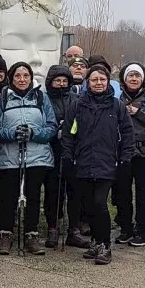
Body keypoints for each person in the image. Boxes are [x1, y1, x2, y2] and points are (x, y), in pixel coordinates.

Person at [58, 64, 132, 266]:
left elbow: (127, 134)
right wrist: (67, 156)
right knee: (88, 205)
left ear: (108, 82)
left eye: (102, 80)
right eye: (94, 80)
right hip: (83, 162)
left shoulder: (117, 106)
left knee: (100, 203)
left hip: (107, 163)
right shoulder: (77, 105)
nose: (98, 83)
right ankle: (95, 241)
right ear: (87, 82)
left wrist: (125, 158)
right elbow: (70, 133)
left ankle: (105, 245)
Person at [0, 63, 57, 255]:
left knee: (33, 196)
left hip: (37, 157)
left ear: (30, 77)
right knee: (7, 196)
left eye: (25, 75)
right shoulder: (3, 98)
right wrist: (11, 133)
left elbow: (52, 126)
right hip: (9, 157)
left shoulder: (41, 97)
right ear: (11, 78)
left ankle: (31, 235)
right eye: (18, 76)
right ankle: (5, 235)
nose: (22, 79)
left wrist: (34, 133)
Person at [113, 64, 145, 247]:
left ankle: (144, 232)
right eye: (130, 76)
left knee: (143, 195)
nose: (134, 79)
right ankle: (126, 229)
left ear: (143, 79)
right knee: (122, 194)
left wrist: (138, 113)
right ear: (124, 79)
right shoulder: (115, 98)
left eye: (137, 76)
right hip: (122, 153)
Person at [44, 65, 82, 248]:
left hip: (73, 150)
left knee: (74, 191)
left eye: (64, 81)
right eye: (57, 81)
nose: (61, 84)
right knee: (53, 191)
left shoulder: (76, 99)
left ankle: (74, 229)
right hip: (51, 149)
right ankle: (52, 227)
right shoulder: (44, 99)